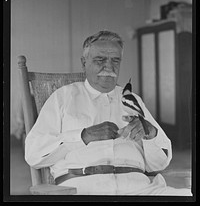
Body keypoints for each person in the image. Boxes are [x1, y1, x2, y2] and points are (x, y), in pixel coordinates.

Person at [25, 31, 192, 196]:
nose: (109, 67)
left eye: (115, 60)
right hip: (84, 188)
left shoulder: (132, 99)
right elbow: (33, 154)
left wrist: (150, 133)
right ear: (84, 62)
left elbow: (159, 163)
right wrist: (83, 136)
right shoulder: (62, 98)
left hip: (140, 188)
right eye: (100, 60)